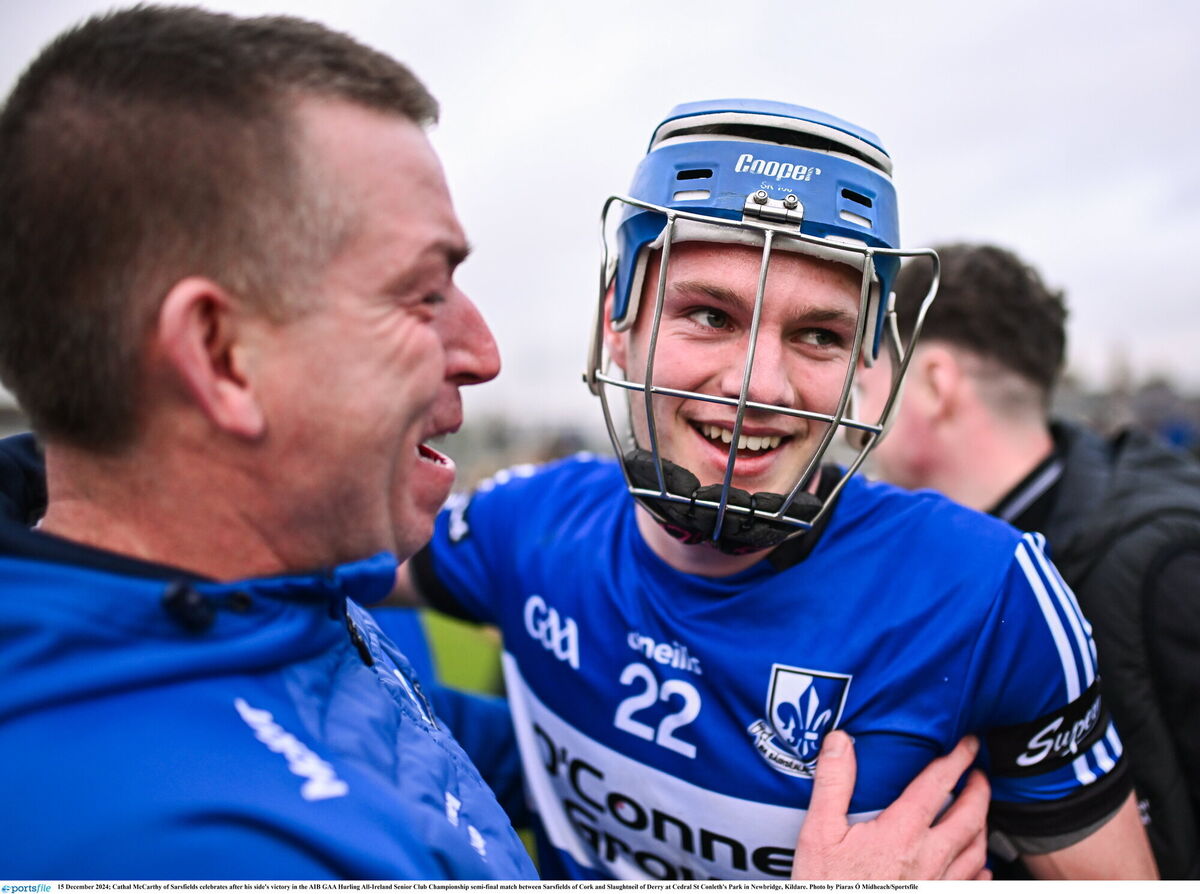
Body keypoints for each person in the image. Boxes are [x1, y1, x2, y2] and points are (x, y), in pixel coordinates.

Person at [0, 7, 991, 882]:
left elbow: (436, 754)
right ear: (219, 355)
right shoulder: (186, 849)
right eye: (423, 291)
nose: (483, 350)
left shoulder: (258, 585)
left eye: (815, 333)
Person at [391, 99, 1158, 880]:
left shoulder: (988, 596)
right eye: (710, 315)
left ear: (864, 364)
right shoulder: (531, 523)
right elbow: (288, 572)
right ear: (618, 323)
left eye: (818, 334)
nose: (759, 386)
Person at [856, 242, 1200, 878]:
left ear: (933, 384)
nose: (854, 416)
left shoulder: (1171, 564)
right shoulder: (932, 555)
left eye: (869, 375)